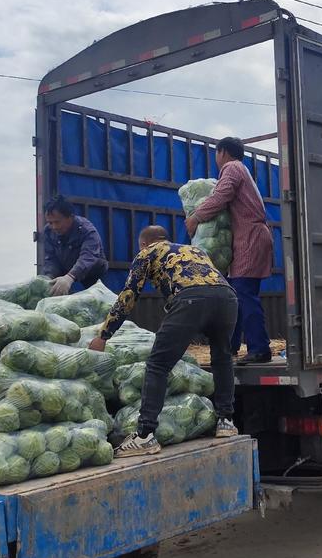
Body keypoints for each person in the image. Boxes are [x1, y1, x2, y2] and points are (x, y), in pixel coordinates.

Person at [89, 225, 239, 456]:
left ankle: (145, 435)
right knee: (222, 358)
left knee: (158, 364)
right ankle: (226, 421)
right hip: (227, 298)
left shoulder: (147, 253)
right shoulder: (196, 251)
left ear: (143, 244)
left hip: (191, 300)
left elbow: (128, 296)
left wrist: (104, 335)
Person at [185, 137, 273, 365]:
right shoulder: (242, 170)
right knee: (236, 295)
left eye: (216, 153)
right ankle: (230, 348)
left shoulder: (232, 167)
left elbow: (220, 196)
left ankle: (260, 349)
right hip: (250, 237)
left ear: (222, 152)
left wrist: (195, 217)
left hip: (250, 238)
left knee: (243, 293)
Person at [42, 196, 109, 296]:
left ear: (70, 217)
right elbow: (51, 259)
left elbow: (88, 257)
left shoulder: (86, 230)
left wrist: (70, 277)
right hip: (65, 269)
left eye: (57, 222)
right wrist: (49, 278)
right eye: (50, 222)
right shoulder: (48, 232)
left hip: (92, 272)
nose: (54, 227)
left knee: (97, 300)